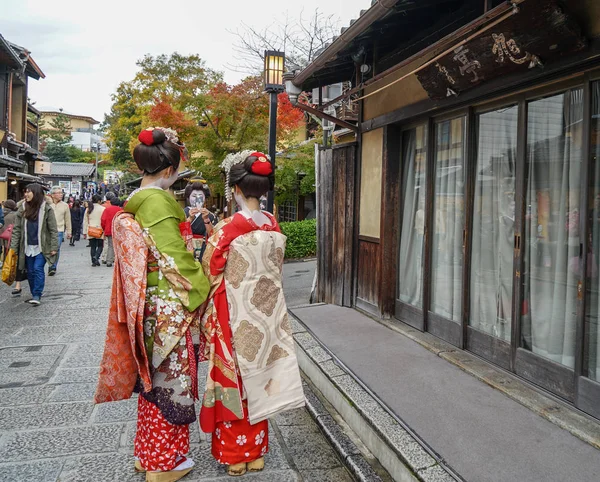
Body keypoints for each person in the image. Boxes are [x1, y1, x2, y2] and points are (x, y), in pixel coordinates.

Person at [95, 127, 210, 482]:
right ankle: (164, 463)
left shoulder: (137, 201)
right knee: (171, 382)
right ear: (167, 170)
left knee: (153, 382)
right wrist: (204, 287)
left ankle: (147, 453)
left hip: (148, 306)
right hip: (167, 308)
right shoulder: (159, 201)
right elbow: (176, 258)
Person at [200, 150, 304, 476]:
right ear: (263, 190)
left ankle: (235, 455)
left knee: (235, 381)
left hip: (233, 312)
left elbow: (210, 269)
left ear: (235, 190)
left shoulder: (228, 227)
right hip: (267, 312)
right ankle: (256, 451)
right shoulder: (272, 223)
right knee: (261, 375)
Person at [10, 184, 58, 305]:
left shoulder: (46, 209)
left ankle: (37, 294)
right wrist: (13, 248)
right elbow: (16, 230)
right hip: (26, 246)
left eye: (29, 192)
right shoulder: (22, 208)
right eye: (25, 192)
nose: (26, 194)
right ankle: (34, 293)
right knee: (30, 271)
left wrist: (54, 247)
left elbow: (53, 229)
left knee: (37, 268)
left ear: (36, 193)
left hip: (42, 246)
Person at [183, 179, 215, 261]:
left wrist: (206, 219)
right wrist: (189, 218)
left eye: (200, 196)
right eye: (194, 196)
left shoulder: (210, 216)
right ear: (188, 197)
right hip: (185, 249)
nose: (197, 199)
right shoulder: (182, 213)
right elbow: (178, 234)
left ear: (205, 197)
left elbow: (214, 236)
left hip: (204, 251)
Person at [48, 186, 72, 276]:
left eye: (61, 193)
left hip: (59, 230)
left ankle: (52, 266)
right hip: (48, 230)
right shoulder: (48, 205)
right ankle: (50, 263)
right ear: (52, 195)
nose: (60, 195)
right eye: (58, 193)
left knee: (56, 248)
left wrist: (69, 231)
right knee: (48, 248)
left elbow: (67, 219)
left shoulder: (65, 205)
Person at [100, 192, 122, 267]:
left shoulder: (107, 210)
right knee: (118, 246)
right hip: (119, 230)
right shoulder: (120, 210)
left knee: (110, 246)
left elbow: (103, 220)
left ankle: (109, 261)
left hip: (109, 229)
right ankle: (117, 261)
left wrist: (104, 228)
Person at [83, 195, 105, 266]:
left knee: (93, 246)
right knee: (100, 245)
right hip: (100, 229)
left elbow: (85, 221)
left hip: (91, 229)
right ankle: (97, 256)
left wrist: (84, 231)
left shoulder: (88, 209)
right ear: (99, 201)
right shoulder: (103, 209)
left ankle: (93, 261)